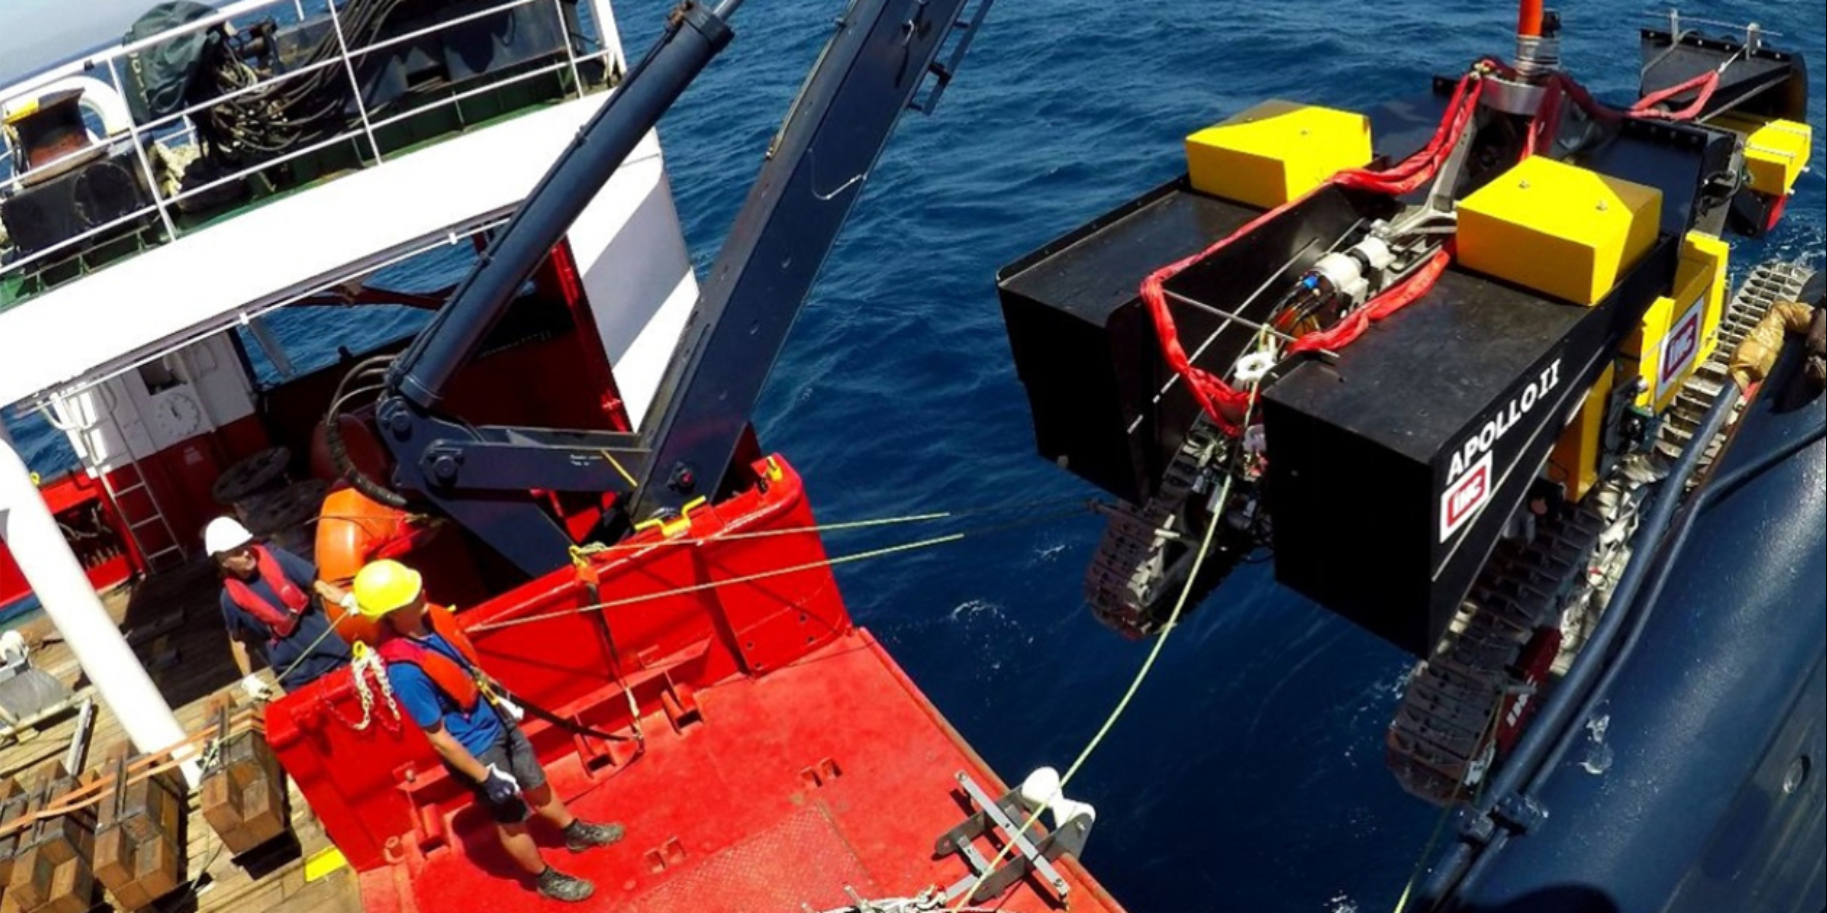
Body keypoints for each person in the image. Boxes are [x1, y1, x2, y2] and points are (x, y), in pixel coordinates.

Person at [351, 559, 622, 903]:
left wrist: (500, 696)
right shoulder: (406, 672)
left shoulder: (434, 622)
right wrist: (486, 778)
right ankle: (544, 878)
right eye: (411, 594)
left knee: (535, 781)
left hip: (497, 719)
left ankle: (573, 831)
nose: (422, 593)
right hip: (478, 749)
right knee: (511, 818)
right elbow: (438, 738)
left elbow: (465, 667)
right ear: (391, 612)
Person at [206, 516, 353, 697]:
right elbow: (238, 640)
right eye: (236, 552)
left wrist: (347, 600)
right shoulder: (229, 598)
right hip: (295, 675)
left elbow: (320, 586)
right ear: (224, 562)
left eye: (245, 546)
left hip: (333, 651)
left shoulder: (277, 558)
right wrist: (248, 678)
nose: (245, 553)